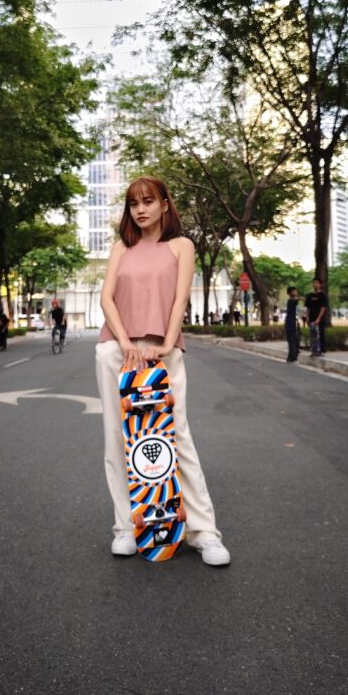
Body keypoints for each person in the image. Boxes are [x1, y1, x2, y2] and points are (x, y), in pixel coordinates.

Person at [96, 175, 230, 567]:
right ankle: (127, 527)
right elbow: (106, 298)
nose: (140, 209)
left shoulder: (181, 246)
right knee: (118, 439)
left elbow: (179, 299)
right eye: (134, 203)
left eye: (148, 201)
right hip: (117, 351)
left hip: (163, 351)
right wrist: (125, 344)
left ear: (165, 204)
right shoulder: (121, 248)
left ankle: (204, 533)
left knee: (177, 438)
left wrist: (167, 345)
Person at [304, 277, 329, 355]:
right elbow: (307, 307)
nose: (315, 284)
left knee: (321, 334)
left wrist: (318, 318)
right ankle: (314, 350)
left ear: (320, 285)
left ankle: (322, 350)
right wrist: (307, 317)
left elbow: (323, 308)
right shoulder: (309, 296)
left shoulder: (322, 295)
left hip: (320, 319)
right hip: (311, 318)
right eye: (314, 282)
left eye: (317, 283)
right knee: (312, 335)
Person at [284, 287, 300, 362]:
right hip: (290, 323)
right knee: (292, 340)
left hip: (293, 322)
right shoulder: (291, 301)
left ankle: (290, 357)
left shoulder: (292, 301)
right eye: (293, 291)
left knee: (293, 340)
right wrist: (299, 299)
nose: (295, 292)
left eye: (295, 291)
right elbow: (295, 301)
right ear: (289, 293)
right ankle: (293, 357)